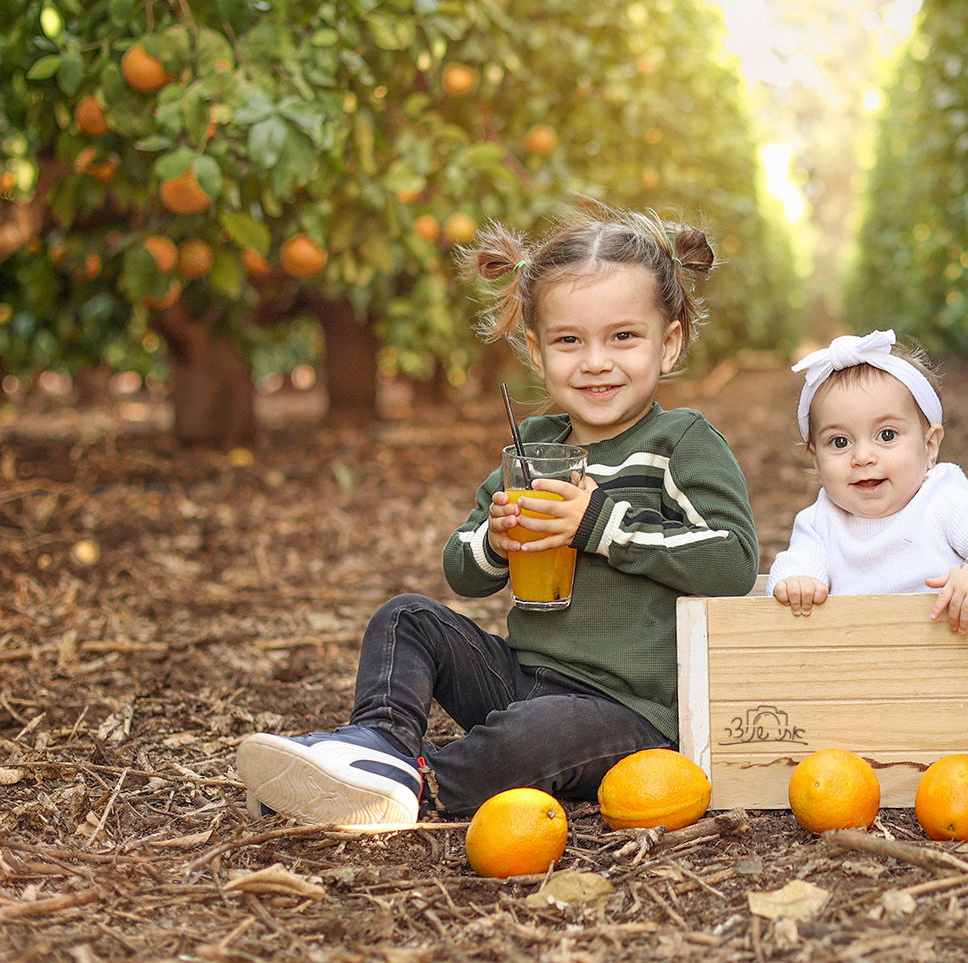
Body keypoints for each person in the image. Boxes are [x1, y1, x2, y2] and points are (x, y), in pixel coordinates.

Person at [235, 205, 759, 825]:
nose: (595, 361)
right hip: (522, 675)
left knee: (534, 734)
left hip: (630, 709)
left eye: (623, 336)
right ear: (537, 354)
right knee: (406, 617)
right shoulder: (535, 448)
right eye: (569, 340)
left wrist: (597, 524)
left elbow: (732, 561)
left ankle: (417, 783)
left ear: (667, 344)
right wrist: (497, 539)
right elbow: (463, 571)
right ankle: (379, 744)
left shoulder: (681, 442)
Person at [766, 329, 968, 632]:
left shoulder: (941, 498)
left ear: (929, 445)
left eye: (887, 435)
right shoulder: (820, 520)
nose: (862, 457)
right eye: (840, 442)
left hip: (948, 655)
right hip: (856, 658)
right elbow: (792, 568)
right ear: (815, 458)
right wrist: (795, 582)